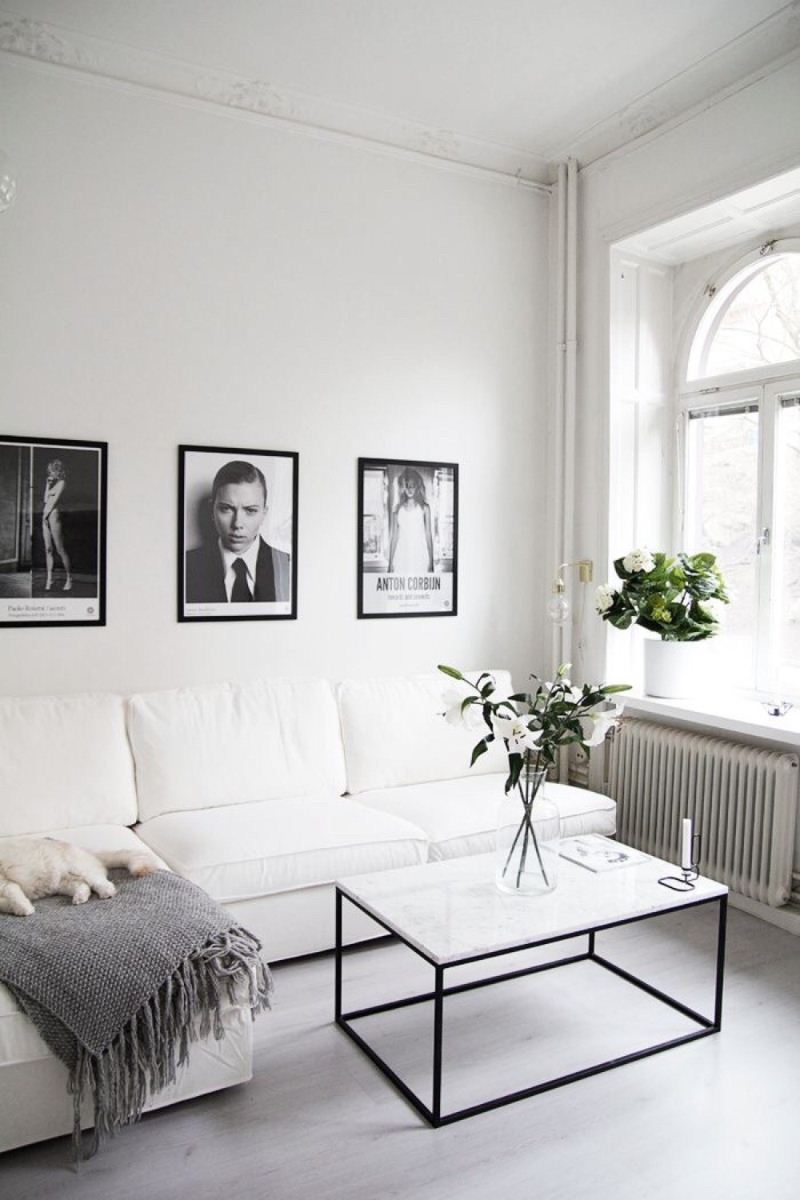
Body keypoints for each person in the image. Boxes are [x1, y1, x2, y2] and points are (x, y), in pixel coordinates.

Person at [185, 460, 291, 604]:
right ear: (212, 511)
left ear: (264, 514)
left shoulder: (289, 565)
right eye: (226, 509)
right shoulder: (186, 566)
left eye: (250, 510)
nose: (237, 524)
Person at [387, 467, 434, 574]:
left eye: (412, 486)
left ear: (417, 487)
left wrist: (431, 561)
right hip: (401, 555)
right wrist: (390, 563)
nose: (410, 489)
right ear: (403, 487)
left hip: (420, 554)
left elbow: (428, 535)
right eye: (407, 485)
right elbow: (394, 537)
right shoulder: (397, 510)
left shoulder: (424, 508)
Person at [42, 460, 72, 592]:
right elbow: (44, 499)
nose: (50, 473)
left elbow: (53, 502)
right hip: (45, 517)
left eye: (52, 471)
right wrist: (47, 485)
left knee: (60, 549)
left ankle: (69, 578)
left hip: (53, 516)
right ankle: (49, 579)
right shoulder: (53, 484)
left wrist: (45, 516)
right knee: (48, 549)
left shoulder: (62, 483)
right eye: (50, 471)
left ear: (58, 471)